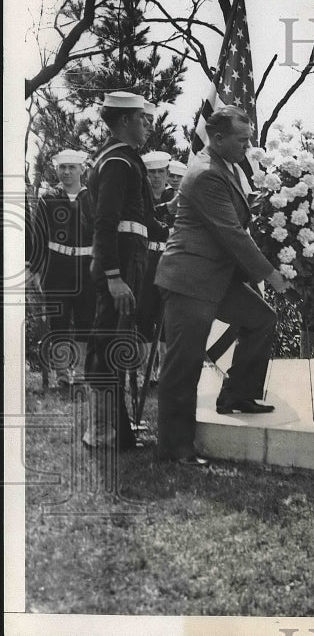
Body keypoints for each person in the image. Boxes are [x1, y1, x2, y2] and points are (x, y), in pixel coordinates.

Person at [155, 106, 290, 466]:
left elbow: (236, 220)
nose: (248, 145)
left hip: (216, 277)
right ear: (218, 139)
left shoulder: (225, 166)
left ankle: (237, 395)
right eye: (242, 139)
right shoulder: (205, 174)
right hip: (190, 279)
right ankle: (174, 446)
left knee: (261, 318)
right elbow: (230, 232)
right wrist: (270, 275)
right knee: (184, 363)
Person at [83, 92, 162, 449]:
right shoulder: (117, 161)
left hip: (130, 261)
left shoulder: (126, 160)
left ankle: (117, 431)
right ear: (125, 121)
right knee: (107, 344)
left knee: (113, 343)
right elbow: (105, 221)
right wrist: (113, 276)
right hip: (120, 266)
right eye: (143, 118)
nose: (148, 124)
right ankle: (101, 431)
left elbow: (144, 220)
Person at [28, 149, 96, 388]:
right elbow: (38, 235)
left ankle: (79, 370)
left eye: (72, 168)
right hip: (57, 267)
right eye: (62, 168)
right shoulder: (49, 197)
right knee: (59, 320)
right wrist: (37, 271)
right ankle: (61, 373)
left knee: (85, 318)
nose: (66, 172)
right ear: (56, 169)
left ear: (82, 170)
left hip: (87, 266)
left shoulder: (93, 197)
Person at [135, 149, 174, 384]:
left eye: (160, 172)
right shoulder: (139, 198)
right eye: (151, 173)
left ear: (168, 174)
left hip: (170, 261)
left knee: (168, 318)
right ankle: (144, 372)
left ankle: (165, 371)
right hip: (146, 260)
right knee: (144, 315)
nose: (156, 177)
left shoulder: (178, 199)